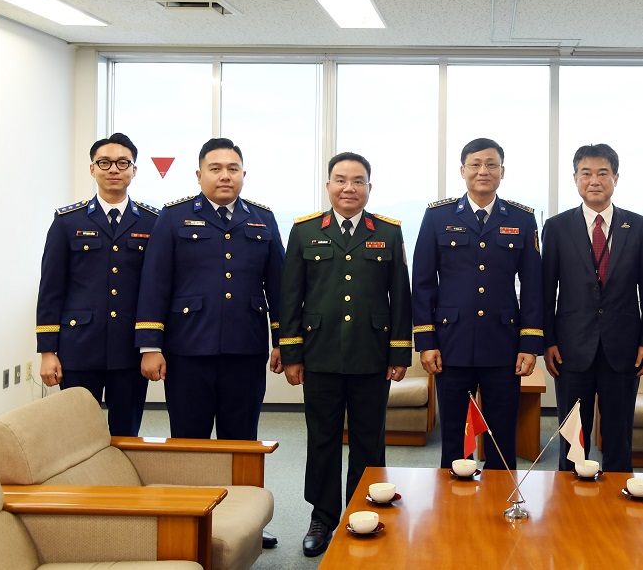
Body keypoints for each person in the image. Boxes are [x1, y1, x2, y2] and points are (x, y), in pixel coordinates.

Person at [135, 138, 284, 548]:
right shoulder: (174, 217)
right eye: (215, 168)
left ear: (243, 175)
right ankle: (189, 521)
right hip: (187, 350)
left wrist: (283, 340)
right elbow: (154, 283)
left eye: (232, 168)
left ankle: (244, 522)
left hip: (245, 349)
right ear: (199, 174)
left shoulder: (263, 219)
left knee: (242, 443)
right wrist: (150, 346)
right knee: (190, 442)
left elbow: (279, 286)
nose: (224, 175)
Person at [279, 152, 412, 557]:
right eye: (340, 180)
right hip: (319, 355)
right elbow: (290, 296)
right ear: (328, 185)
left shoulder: (388, 232)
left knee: (369, 440)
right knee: (322, 438)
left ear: (369, 187)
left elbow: (400, 297)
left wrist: (400, 353)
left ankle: (364, 510)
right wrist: (291, 353)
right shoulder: (305, 231)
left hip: (372, 355)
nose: (349, 188)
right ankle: (322, 516)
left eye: (358, 181)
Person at [412, 137, 543, 470]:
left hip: (503, 345)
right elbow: (423, 282)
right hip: (451, 343)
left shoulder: (522, 219)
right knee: (455, 438)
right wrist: (426, 342)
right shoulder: (438, 216)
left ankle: (502, 499)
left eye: (491, 164)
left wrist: (529, 344)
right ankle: (453, 501)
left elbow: (533, 286)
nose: (483, 171)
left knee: (502, 437)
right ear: (463, 170)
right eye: (475, 164)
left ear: (502, 171)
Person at [542, 143, 643, 472]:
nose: (594, 180)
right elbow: (545, 290)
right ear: (575, 179)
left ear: (616, 178)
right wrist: (548, 341)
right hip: (570, 348)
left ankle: (618, 500)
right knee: (572, 439)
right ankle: (569, 499)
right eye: (586, 173)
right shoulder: (557, 227)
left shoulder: (639, 227)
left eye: (603, 173)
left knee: (619, 436)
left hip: (623, 348)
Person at [36, 132, 158, 437]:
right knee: (77, 433)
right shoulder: (67, 221)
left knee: (125, 433)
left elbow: (157, 288)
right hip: (78, 347)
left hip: (130, 348)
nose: (113, 169)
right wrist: (48, 351)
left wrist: (153, 344)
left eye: (122, 163)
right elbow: (51, 290)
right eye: (104, 162)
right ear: (92, 169)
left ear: (134, 170)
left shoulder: (153, 222)